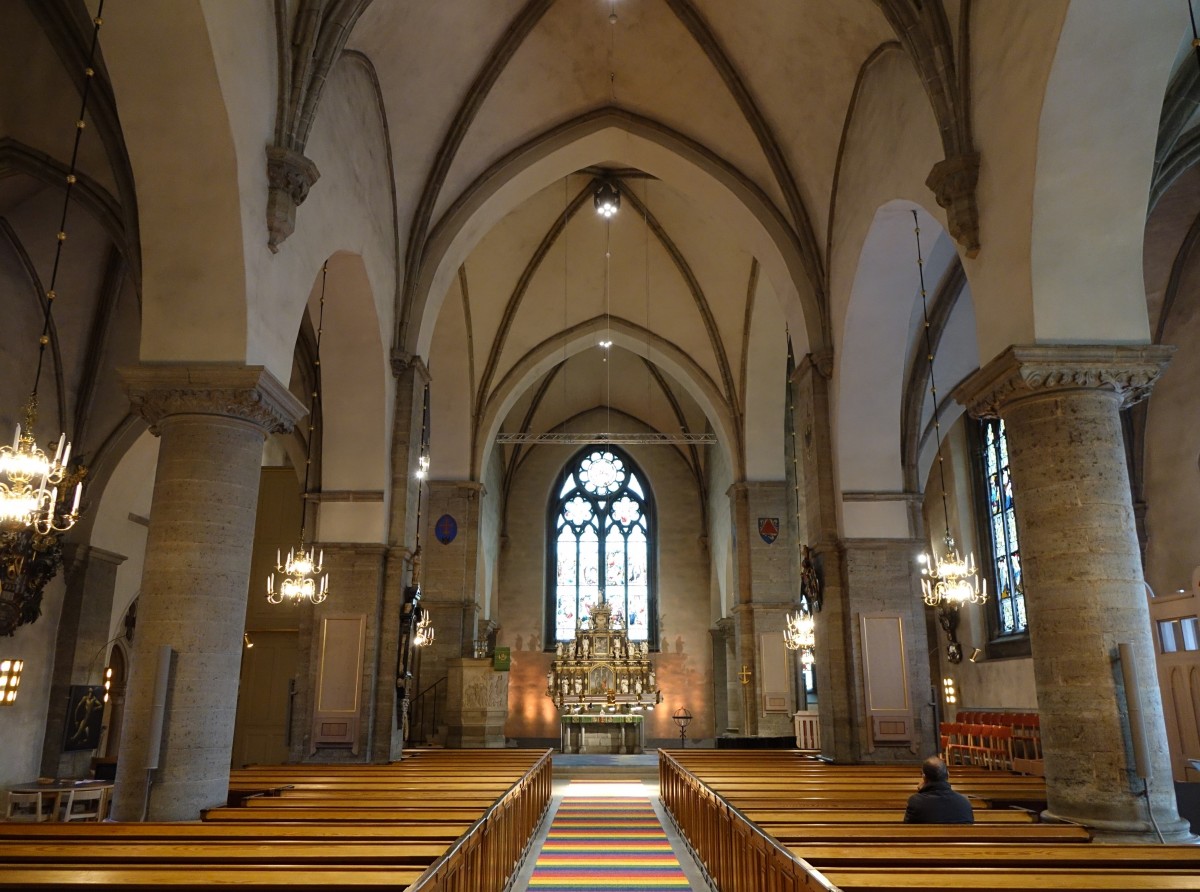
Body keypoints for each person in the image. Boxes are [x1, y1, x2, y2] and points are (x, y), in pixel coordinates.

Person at [903, 756, 975, 824]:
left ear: (924, 777)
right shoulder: (964, 802)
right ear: (948, 775)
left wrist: (921, 792)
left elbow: (908, 829)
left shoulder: (915, 802)